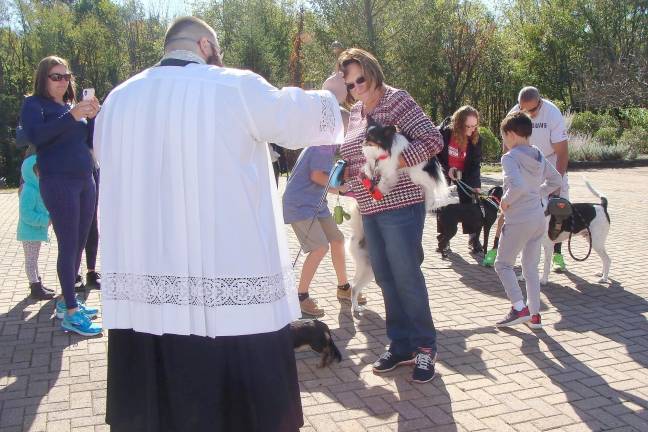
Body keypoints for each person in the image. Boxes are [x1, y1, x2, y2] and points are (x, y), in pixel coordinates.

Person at [95, 16, 344, 432]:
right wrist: (329, 96)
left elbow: (104, 158)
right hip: (225, 275)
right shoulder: (232, 85)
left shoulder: (118, 98)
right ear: (205, 45)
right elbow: (295, 119)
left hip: (148, 278)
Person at [338, 48, 442, 384]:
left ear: (372, 71)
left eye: (361, 78)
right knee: (384, 277)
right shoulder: (355, 112)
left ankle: (425, 347)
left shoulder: (397, 101)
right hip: (369, 206)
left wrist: (395, 162)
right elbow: (356, 157)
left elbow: (432, 139)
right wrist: (344, 179)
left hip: (401, 203)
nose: (357, 86)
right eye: (351, 84)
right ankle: (401, 345)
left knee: (406, 275)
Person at [20, 56, 101, 336]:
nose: (63, 81)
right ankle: (70, 312)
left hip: (85, 180)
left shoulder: (70, 107)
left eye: (66, 76)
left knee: (78, 243)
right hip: (58, 183)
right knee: (68, 245)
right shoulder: (34, 104)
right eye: (56, 76)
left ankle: (68, 301)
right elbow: (35, 136)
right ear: (43, 79)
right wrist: (73, 116)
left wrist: (92, 118)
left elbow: (88, 142)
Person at [485, 87, 569, 269]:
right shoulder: (515, 113)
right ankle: (494, 249)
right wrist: (508, 173)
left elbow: (562, 153)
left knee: (558, 210)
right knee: (508, 207)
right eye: (523, 109)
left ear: (540, 102)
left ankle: (557, 255)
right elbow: (507, 147)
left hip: (548, 160)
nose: (527, 113)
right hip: (522, 162)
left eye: (531, 110)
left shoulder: (552, 114)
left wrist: (555, 187)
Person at [494, 112, 562, 329]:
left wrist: (504, 202)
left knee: (502, 264)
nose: (504, 141)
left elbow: (518, 186)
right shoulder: (539, 154)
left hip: (519, 219)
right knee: (530, 268)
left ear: (512, 134)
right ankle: (534, 316)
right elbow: (556, 180)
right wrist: (538, 192)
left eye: (504, 136)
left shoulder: (510, 157)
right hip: (537, 218)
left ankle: (518, 308)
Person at [283, 141, 365, 317]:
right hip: (300, 205)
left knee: (337, 239)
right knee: (319, 248)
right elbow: (317, 176)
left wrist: (342, 190)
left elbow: (323, 180)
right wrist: (340, 188)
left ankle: (343, 287)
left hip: (316, 204)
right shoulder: (322, 147)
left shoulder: (325, 147)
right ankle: (301, 296)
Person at [436, 105, 483, 255]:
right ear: (458, 124)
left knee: (470, 205)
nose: (471, 130)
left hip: (465, 173)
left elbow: (475, 164)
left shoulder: (476, 138)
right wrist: (447, 169)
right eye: (468, 126)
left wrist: (475, 185)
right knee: (444, 205)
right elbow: (435, 156)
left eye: (474, 126)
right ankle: (444, 239)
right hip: (445, 171)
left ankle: (473, 238)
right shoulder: (444, 134)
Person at [17, 155, 55, 300]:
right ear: (30, 172)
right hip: (29, 232)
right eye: (39, 171)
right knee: (31, 261)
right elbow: (26, 214)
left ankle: (38, 283)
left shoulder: (36, 188)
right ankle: (35, 287)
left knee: (34, 259)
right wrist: (44, 220)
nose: (42, 174)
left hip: (35, 231)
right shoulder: (29, 190)